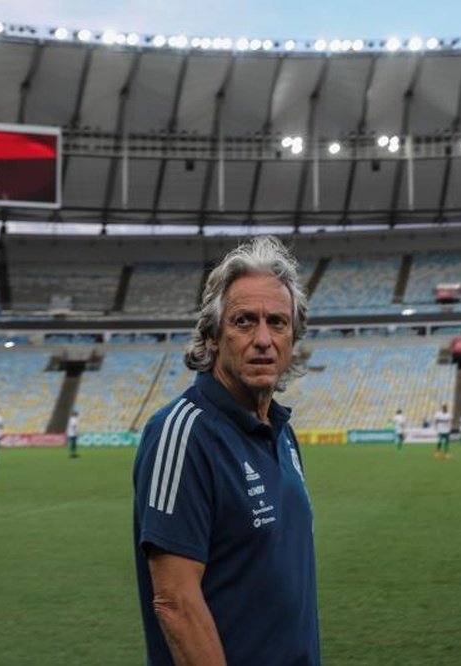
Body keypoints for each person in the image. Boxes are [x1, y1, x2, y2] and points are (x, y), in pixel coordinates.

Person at [132, 236, 319, 665]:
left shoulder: (283, 433)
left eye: (277, 322)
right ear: (214, 335)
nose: (263, 339)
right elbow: (175, 603)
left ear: (293, 337)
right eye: (243, 321)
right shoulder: (182, 434)